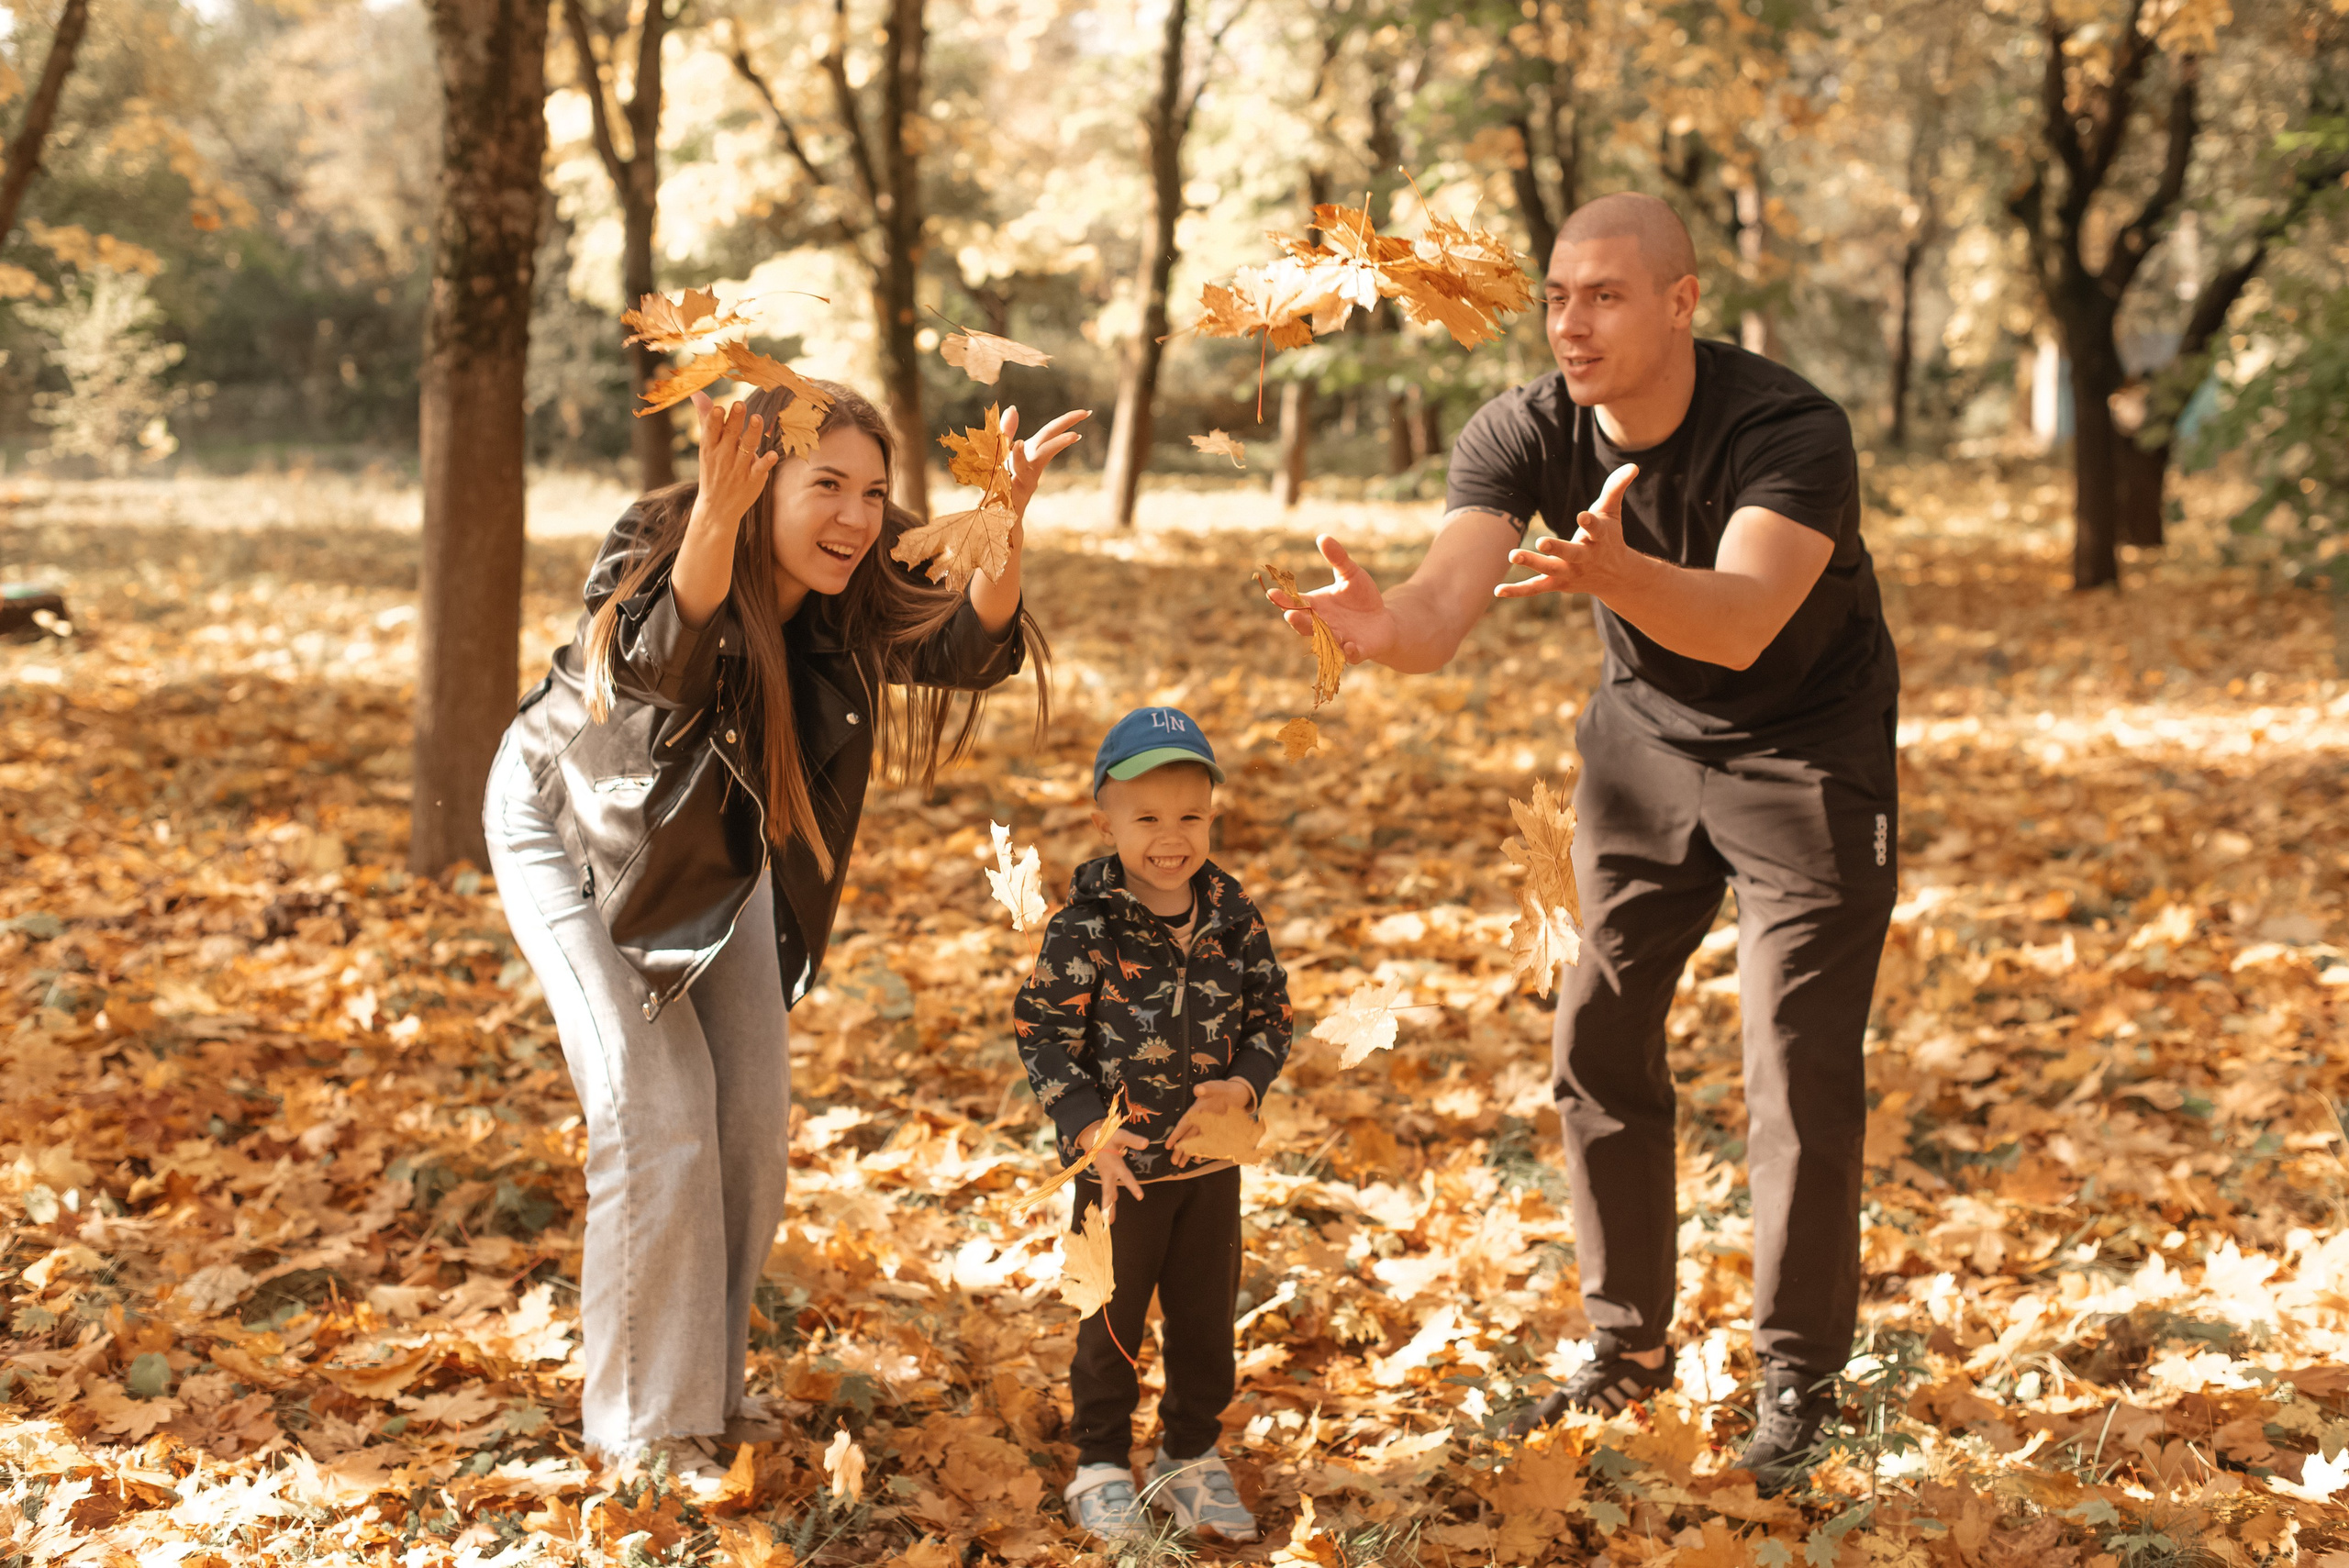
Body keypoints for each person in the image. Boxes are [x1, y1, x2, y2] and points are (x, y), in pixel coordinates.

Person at [1270, 193, 1900, 1493]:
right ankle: (1625, 1348)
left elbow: (1740, 621)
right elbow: (1447, 607)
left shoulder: (1789, 427)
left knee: (1794, 1058)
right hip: (1642, 748)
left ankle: (1798, 1379)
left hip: (1807, 748)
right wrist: (1390, 634)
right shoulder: (1522, 428)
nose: (1572, 322)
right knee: (1596, 1028)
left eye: (1605, 295)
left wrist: (1615, 576)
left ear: (1681, 303)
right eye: (1558, 295)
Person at [484, 380, 1087, 1495]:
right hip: (581, 832)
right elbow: (657, 664)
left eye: (872, 490)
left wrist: (999, 528)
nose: (856, 517)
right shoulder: (661, 540)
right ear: (760, 480)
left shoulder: (849, 579)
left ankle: (701, 1393)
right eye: (826, 487)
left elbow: (963, 647)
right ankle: (643, 1437)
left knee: (749, 1124)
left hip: (721, 842)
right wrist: (717, 517)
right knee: (658, 1113)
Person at [1011, 707, 1294, 1544]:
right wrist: (1084, 1128)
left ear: (1213, 815)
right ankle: (1100, 1463)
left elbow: (1272, 1015)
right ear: (1105, 818)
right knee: (1110, 1322)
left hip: (1209, 1167)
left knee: (1206, 1322)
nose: (1171, 837)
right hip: (1119, 1172)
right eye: (1147, 817)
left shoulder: (1233, 918)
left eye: (1190, 815)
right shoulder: (1085, 928)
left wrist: (1245, 1083)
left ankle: (1189, 1454)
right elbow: (1043, 1030)